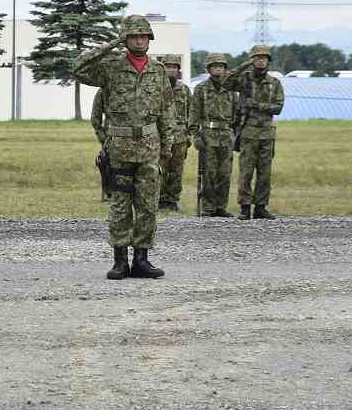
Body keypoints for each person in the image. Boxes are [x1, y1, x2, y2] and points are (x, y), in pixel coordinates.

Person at [73, 15, 173, 280]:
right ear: (126, 39)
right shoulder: (111, 67)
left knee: (148, 204)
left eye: (144, 36)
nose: (140, 40)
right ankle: (120, 261)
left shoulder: (158, 70)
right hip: (120, 146)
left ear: (149, 40)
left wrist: (169, 144)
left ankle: (142, 259)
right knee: (120, 204)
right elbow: (79, 68)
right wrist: (111, 44)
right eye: (134, 36)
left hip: (150, 145)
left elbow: (167, 110)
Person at [224, 45, 284, 220]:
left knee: (264, 174)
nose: (261, 60)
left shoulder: (274, 83)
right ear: (252, 60)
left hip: (266, 133)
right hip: (248, 133)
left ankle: (260, 207)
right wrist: (244, 65)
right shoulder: (244, 79)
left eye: (264, 58)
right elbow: (227, 82)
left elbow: (278, 107)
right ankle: (244, 207)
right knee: (246, 172)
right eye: (257, 58)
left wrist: (256, 105)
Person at [192, 54, 238, 217]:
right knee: (209, 173)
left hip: (226, 134)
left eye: (220, 66)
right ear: (209, 69)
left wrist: (235, 135)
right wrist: (196, 135)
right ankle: (208, 207)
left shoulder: (232, 90)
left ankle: (221, 207)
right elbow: (194, 113)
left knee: (225, 173)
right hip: (208, 134)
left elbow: (237, 114)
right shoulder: (201, 89)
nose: (217, 69)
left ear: (225, 69)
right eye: (214, 66)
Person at [158, 54, 194, 212]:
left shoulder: (184, 90)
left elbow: (191, 112)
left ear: (178, 70)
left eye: (174, 67)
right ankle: (159, 199)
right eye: (168, 66)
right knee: (159, 169)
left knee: (176, 170)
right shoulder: (156, 88)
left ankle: (172, 200)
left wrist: (190, 134)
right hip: (160, 136)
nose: (171, 70)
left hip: (180, 137)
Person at [91, 86, 111, 202]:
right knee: (107, 166)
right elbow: (95, 117)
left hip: (131, 136)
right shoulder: (103, 91)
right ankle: (110, 193)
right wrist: (102, 137)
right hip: (110, 136)